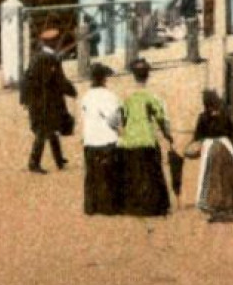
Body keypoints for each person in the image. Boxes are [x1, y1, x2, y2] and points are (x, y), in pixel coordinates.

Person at [116, 59, 173, 216]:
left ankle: (133, 206)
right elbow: (161, 119)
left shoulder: (127, 97)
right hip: (147, 138)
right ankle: (154, 206)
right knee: (151, 174)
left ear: (133, 76)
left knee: (133, 174)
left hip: (129, 140)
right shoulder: (152, 97)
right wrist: (168, 135)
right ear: (148, 76)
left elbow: (121, 119)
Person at [20, 28, 76, 174]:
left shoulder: (37, 57)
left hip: (38, 101)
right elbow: (59, 80)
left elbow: (27, 79)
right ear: (52, 43)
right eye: (56, 41)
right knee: (44, 131)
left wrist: (25, 99)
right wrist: (72, 91)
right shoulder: (50, 59)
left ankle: (59, 159)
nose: (58, 43)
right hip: (46, 102)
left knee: (51, 130)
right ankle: (34, 162)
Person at [187, 90, 233, 222]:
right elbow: (232, 132)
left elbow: (198, 136)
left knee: (211, 180)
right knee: (228, 177)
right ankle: (228, 208)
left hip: (210, 149)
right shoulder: (225, 115)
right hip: (226, 147)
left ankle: (213, 209)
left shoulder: (203, 117)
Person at [79, 63, 123, 216]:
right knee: (109, 174)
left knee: (91, 174)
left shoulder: (86, 96)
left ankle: (91, 206)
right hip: (107, 138)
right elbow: (114, 120)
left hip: (90, 139)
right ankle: (109, 206)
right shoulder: (110, 96)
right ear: (104, 79)